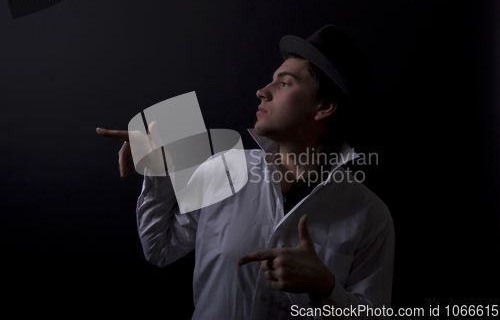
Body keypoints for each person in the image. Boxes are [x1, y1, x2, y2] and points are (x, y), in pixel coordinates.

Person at [97, 24, 394, 319]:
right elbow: (159, 248)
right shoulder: (222, 169)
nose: (262, 91)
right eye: (271, 81)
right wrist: (159, 167)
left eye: (285, 83)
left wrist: (325, 289)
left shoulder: (370, 215)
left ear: (325, 106)